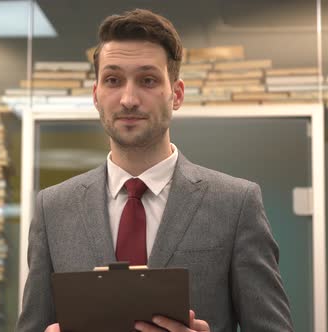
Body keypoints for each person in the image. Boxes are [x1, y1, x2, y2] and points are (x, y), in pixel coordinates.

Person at [16, 8, 294, 332]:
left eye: (147, 80)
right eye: (113, 80)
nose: (129, 99)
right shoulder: (53, 209)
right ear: (96, 95)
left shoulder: (236, 204)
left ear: (176, 94)